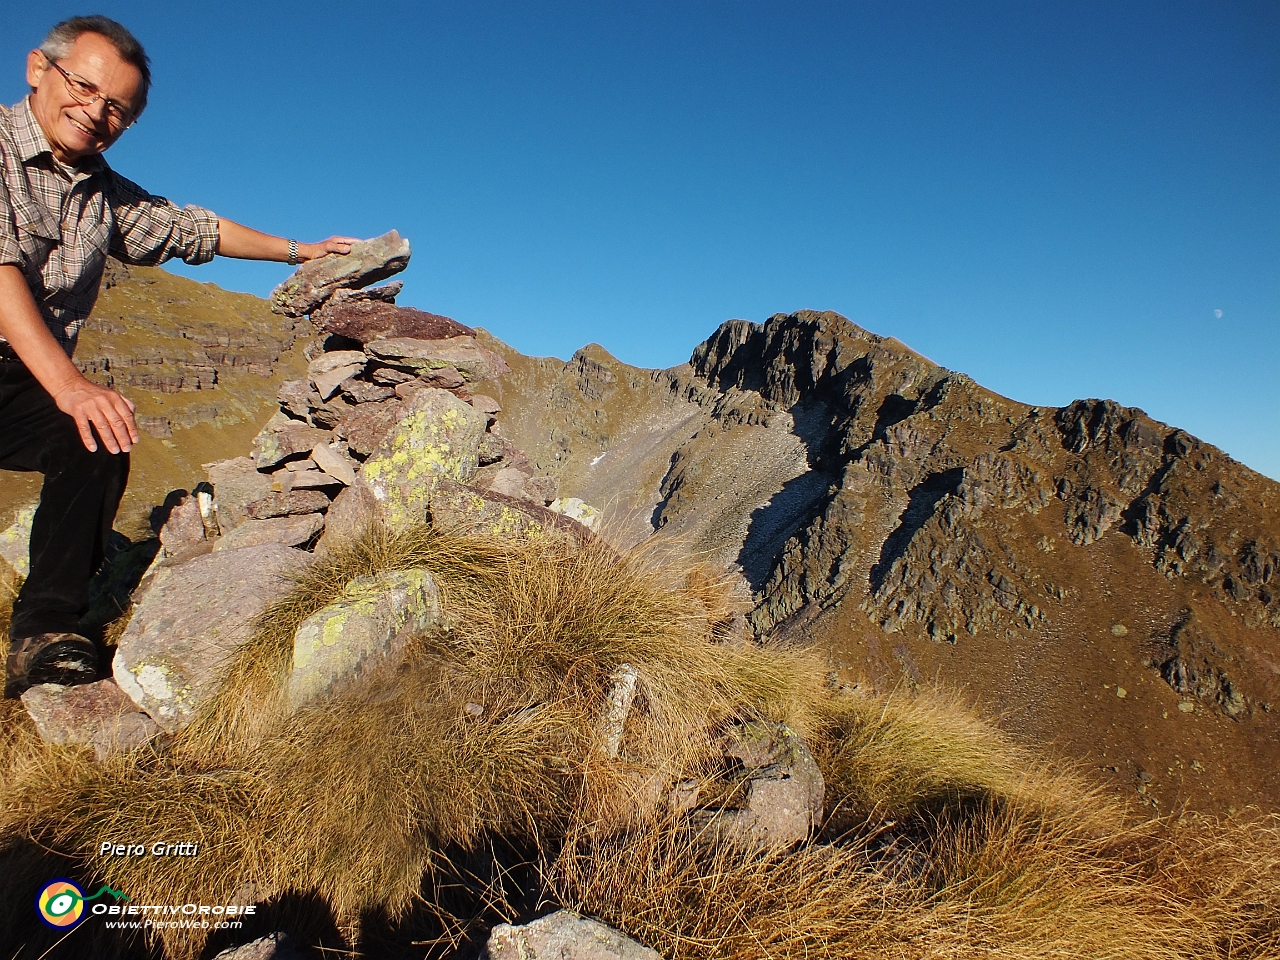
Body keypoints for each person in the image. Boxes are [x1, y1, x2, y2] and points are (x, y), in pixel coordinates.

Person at [1, 16, 357, 697]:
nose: (97, 113)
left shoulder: (99, 194)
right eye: (85, 86)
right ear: (36, 70)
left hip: (15, 378)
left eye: (119, 110)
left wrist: (299, 250)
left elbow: (196, 230)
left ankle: (43, 635)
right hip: (31, 362)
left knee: (95, 438)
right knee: (83, 408)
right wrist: (70, 383)